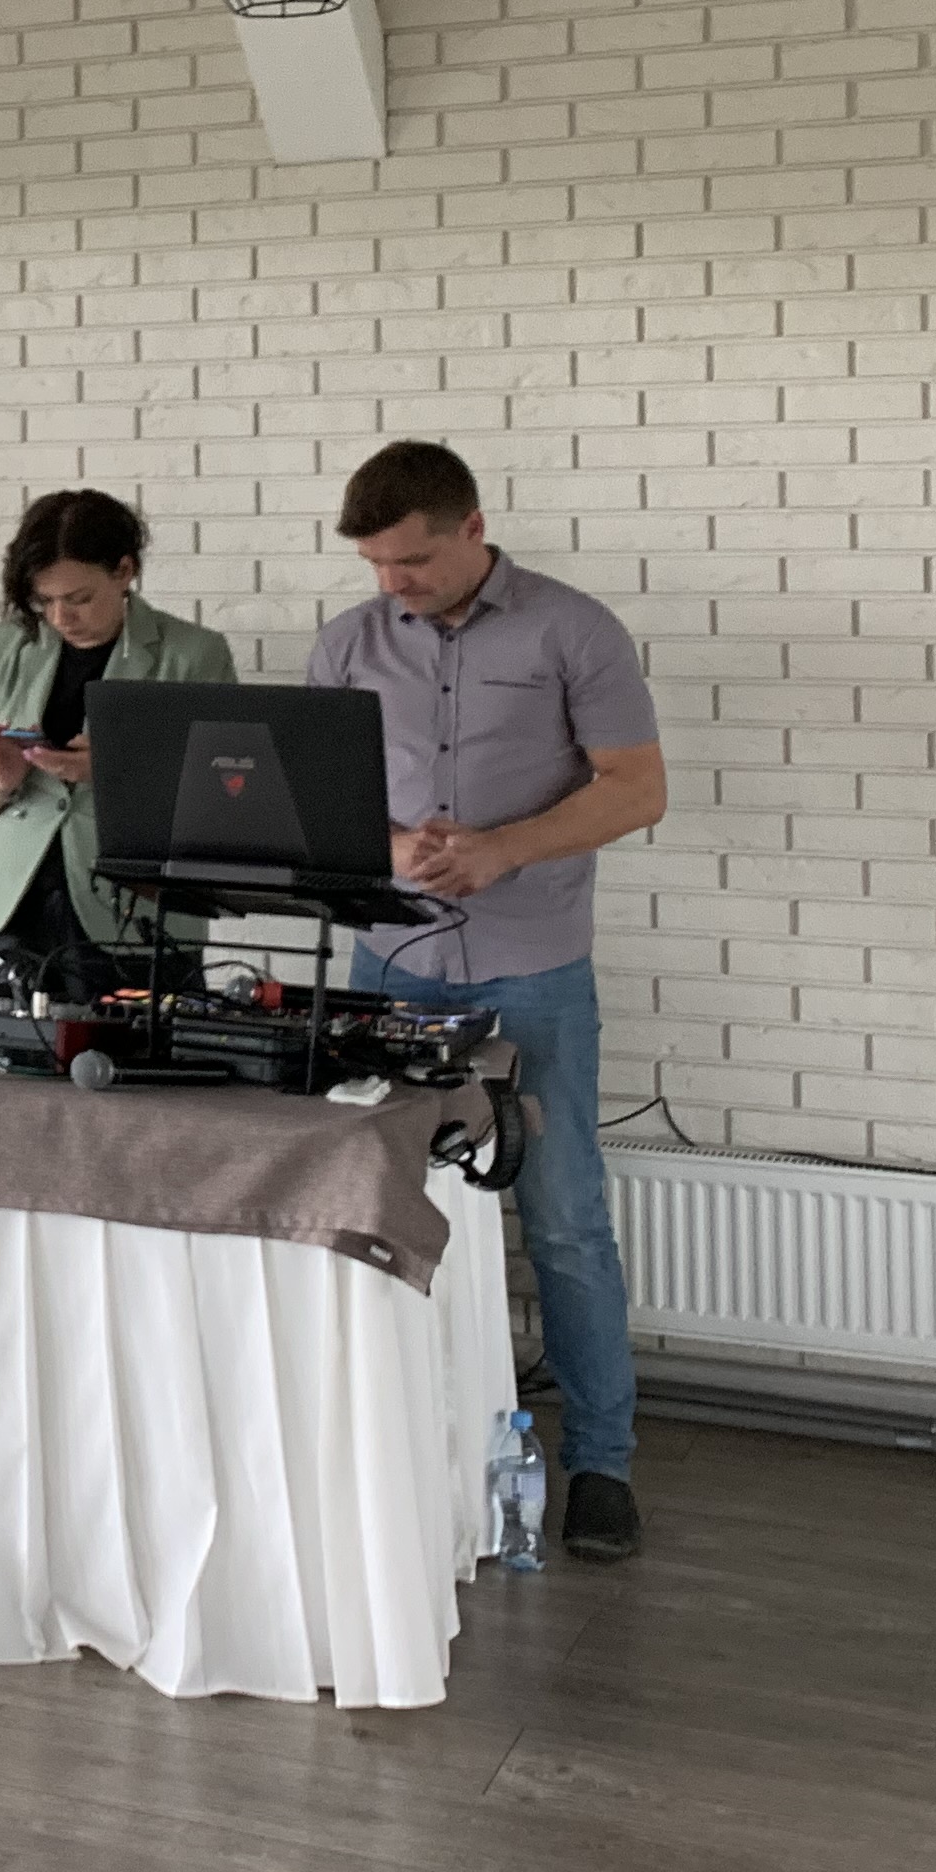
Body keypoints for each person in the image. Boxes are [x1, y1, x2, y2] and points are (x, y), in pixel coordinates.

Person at [310, 440, 665, 1565]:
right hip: (391, 966)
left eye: (413, 560)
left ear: (472, 528)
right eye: (376, 565)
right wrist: (392, 848)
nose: (394, 583)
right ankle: (402, 1447)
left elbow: (637, 789)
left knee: (563, 1218)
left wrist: (503, 850)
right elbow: (317, 804)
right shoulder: (347, 644)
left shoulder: (575, 630)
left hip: (533, 968)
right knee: (375, 1210)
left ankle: (601, 1466)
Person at [0, 490, 235, 969]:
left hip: (137, 913)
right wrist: (2, 781)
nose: (61, 618)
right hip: (14, 908)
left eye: (79, 598)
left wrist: (115, 772)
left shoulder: (192, 654)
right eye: (45, 600)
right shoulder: (10, 645)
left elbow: (226, 793)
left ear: (124, 571)